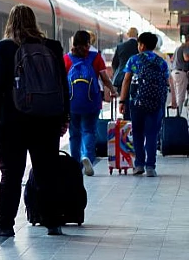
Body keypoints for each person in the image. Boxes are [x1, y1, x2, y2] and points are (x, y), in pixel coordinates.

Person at [0, 4, 69, 237]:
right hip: (47, 120)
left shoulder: (4, 48)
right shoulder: (52, 47)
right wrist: (64, 116)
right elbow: (63, 85)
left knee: (11, 174)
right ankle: (52, 221)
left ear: (10, 22)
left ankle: (5, 224)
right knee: (46, 172)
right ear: (34, 22)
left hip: (12, 122)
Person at [118, 32, 172, 177]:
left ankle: (139, 165)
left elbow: (126, 80)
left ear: (141, 45)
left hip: (136, 103)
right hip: (155, 103)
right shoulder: (161, 62)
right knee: (152, 134)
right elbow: (167, 82)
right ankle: (150, 167)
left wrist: (122, 101)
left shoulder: (134, 60)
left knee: (137, 134)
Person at [64, 30, 118, 176]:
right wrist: (112, 90)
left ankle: (75, 163)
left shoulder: (67, 58)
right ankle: (87, 157)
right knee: (89, 131)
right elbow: (104, 78)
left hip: (72, 103)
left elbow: (62, 81)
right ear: (88, 43)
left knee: (74, 134)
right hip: (91, 101)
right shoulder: (95, 57)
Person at [111, 27, 139, 111]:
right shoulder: (140, 46)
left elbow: (114, 63)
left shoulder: (120, 46)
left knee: (124, 102)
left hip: (121, 77)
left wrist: (116, 73)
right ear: (137, 35)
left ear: (128, 35)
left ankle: (126, 115)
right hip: (137, 77)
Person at [172, 37, 189, 114]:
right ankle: (178, 115)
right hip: (181, 73)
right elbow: (186, 58)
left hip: (174, 72)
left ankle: (176, 113)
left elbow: (172, 59)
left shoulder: (178, 47)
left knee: (177, 94)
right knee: (180, 96)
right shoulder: (186, 47)